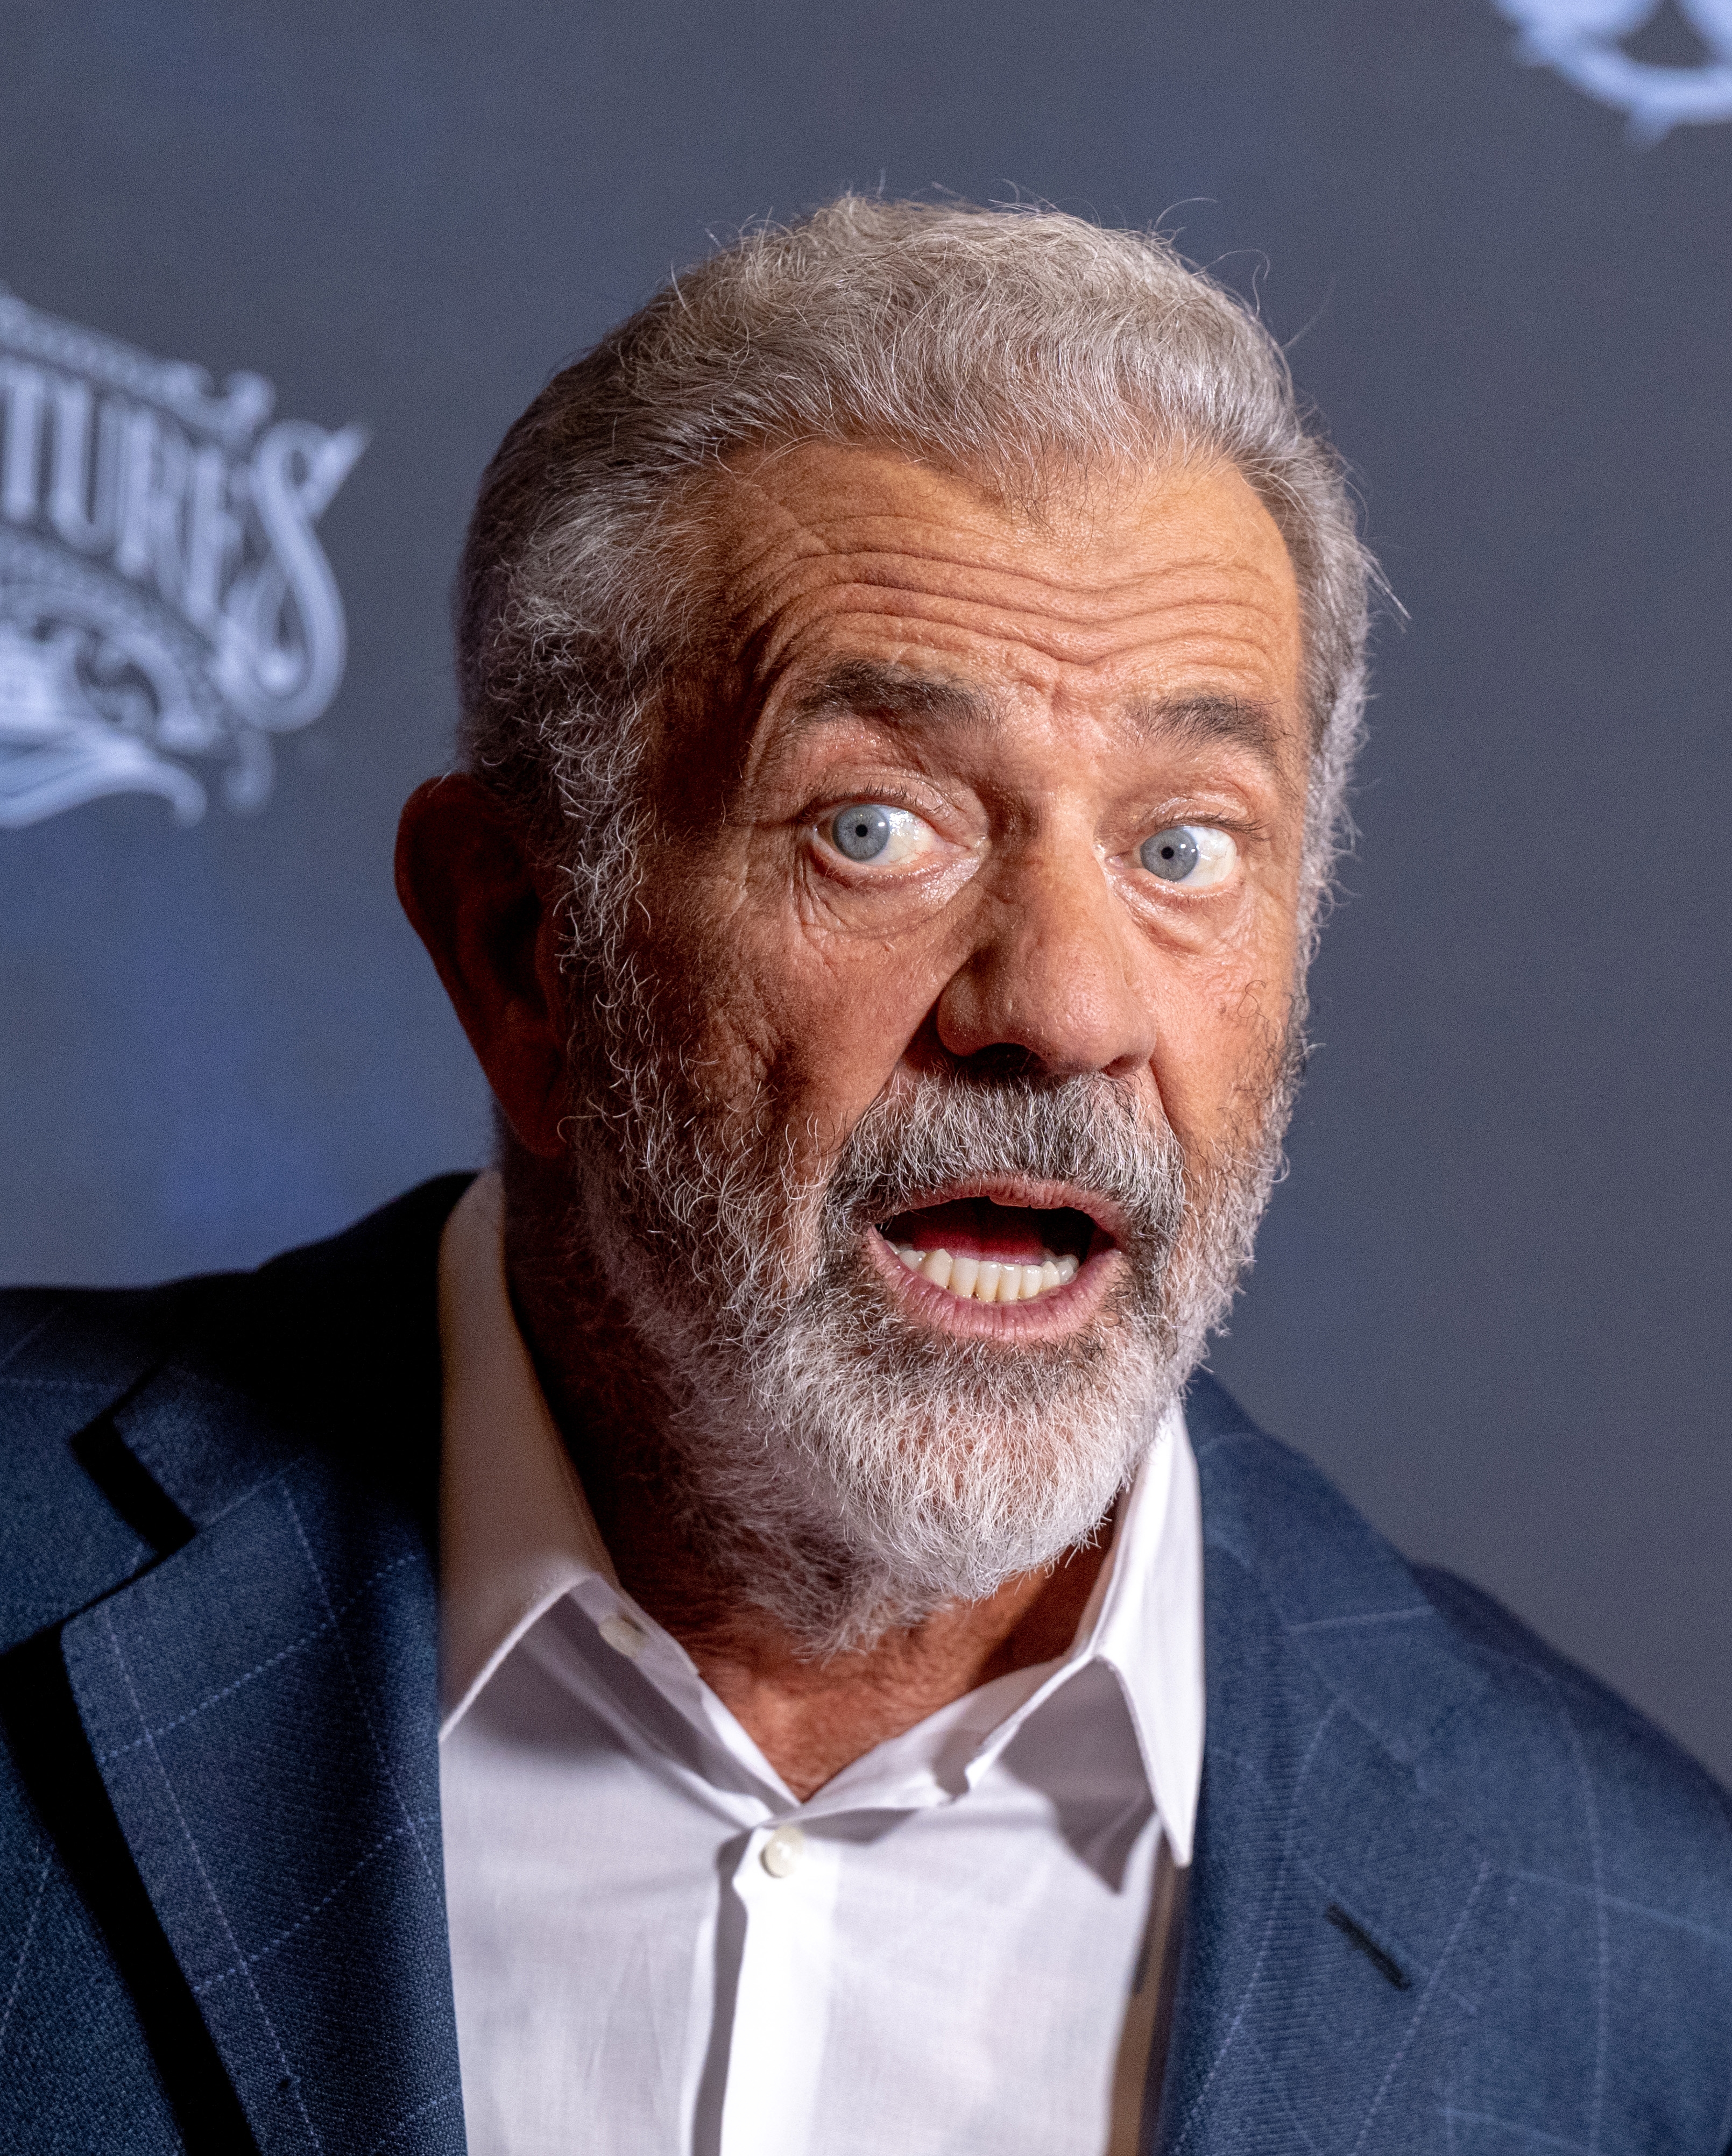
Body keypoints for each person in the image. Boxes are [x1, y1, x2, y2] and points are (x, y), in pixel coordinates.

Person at [2, 198, 1728, 2156]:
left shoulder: (1643, 1965)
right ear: (516, 947)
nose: (1064, 1010)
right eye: (874, 826)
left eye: (1184, 848)